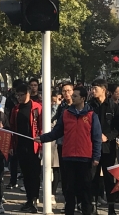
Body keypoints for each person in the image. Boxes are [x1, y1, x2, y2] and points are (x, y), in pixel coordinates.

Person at [37, 86, 102, 215]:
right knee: (69, 190)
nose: (72, 98)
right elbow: (57, 132)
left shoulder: (91, 115)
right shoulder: (66, 114)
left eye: (75, 96)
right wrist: (43, 138)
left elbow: (97, 137)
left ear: (83, 98)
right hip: (68, 157)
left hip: (85, 158)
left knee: (85, 191)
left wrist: (96, 157)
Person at [89, 79, 119, 215]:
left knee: (109, 179)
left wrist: (108, 136)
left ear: (103, 90)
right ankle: (93, 206)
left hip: (108, 148)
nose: (93, 91)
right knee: (93, 177)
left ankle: (111, 208)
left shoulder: (113, 107)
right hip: (92, 147)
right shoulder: (89, 106)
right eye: (92, 88)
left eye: (95, 88)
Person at [10, 83, 43, 213]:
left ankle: (34, 199)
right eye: (17, 95)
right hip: (21, 146)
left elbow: (41, 127)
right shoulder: (16, 109)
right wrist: (12, 145)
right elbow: (12, 128)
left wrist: (41, 145)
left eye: (21, 95)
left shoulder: (37, 108)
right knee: (25, 174)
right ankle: (29, 199)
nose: (19, 97)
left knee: (34, 174)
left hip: (34, 146)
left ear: (28, 94)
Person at [5, 79, 23, 190]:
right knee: (13, 158)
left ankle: (23, 180)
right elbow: (7, 114)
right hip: (14, 131)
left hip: (25, 134)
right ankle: (13, 180)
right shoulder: (10, 100)